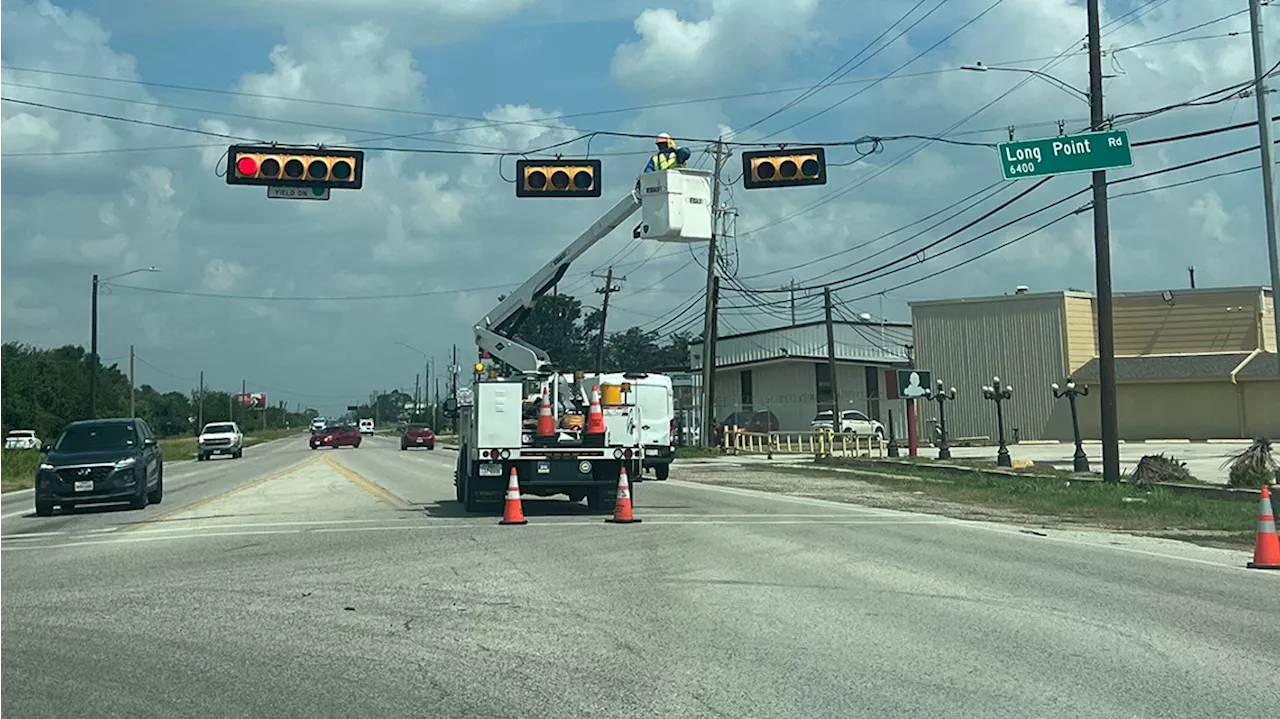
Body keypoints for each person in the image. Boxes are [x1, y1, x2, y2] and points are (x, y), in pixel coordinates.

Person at [634, 133, 693, 237]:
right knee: (657, 210)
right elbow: (647, 173)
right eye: (659, 145)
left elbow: (686, 152)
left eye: (663, 144)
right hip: (661, 189)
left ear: (669, 143)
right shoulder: (655, 158)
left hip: (677, 188)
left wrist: (675, 149)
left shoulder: (677, 155)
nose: (661, 147)